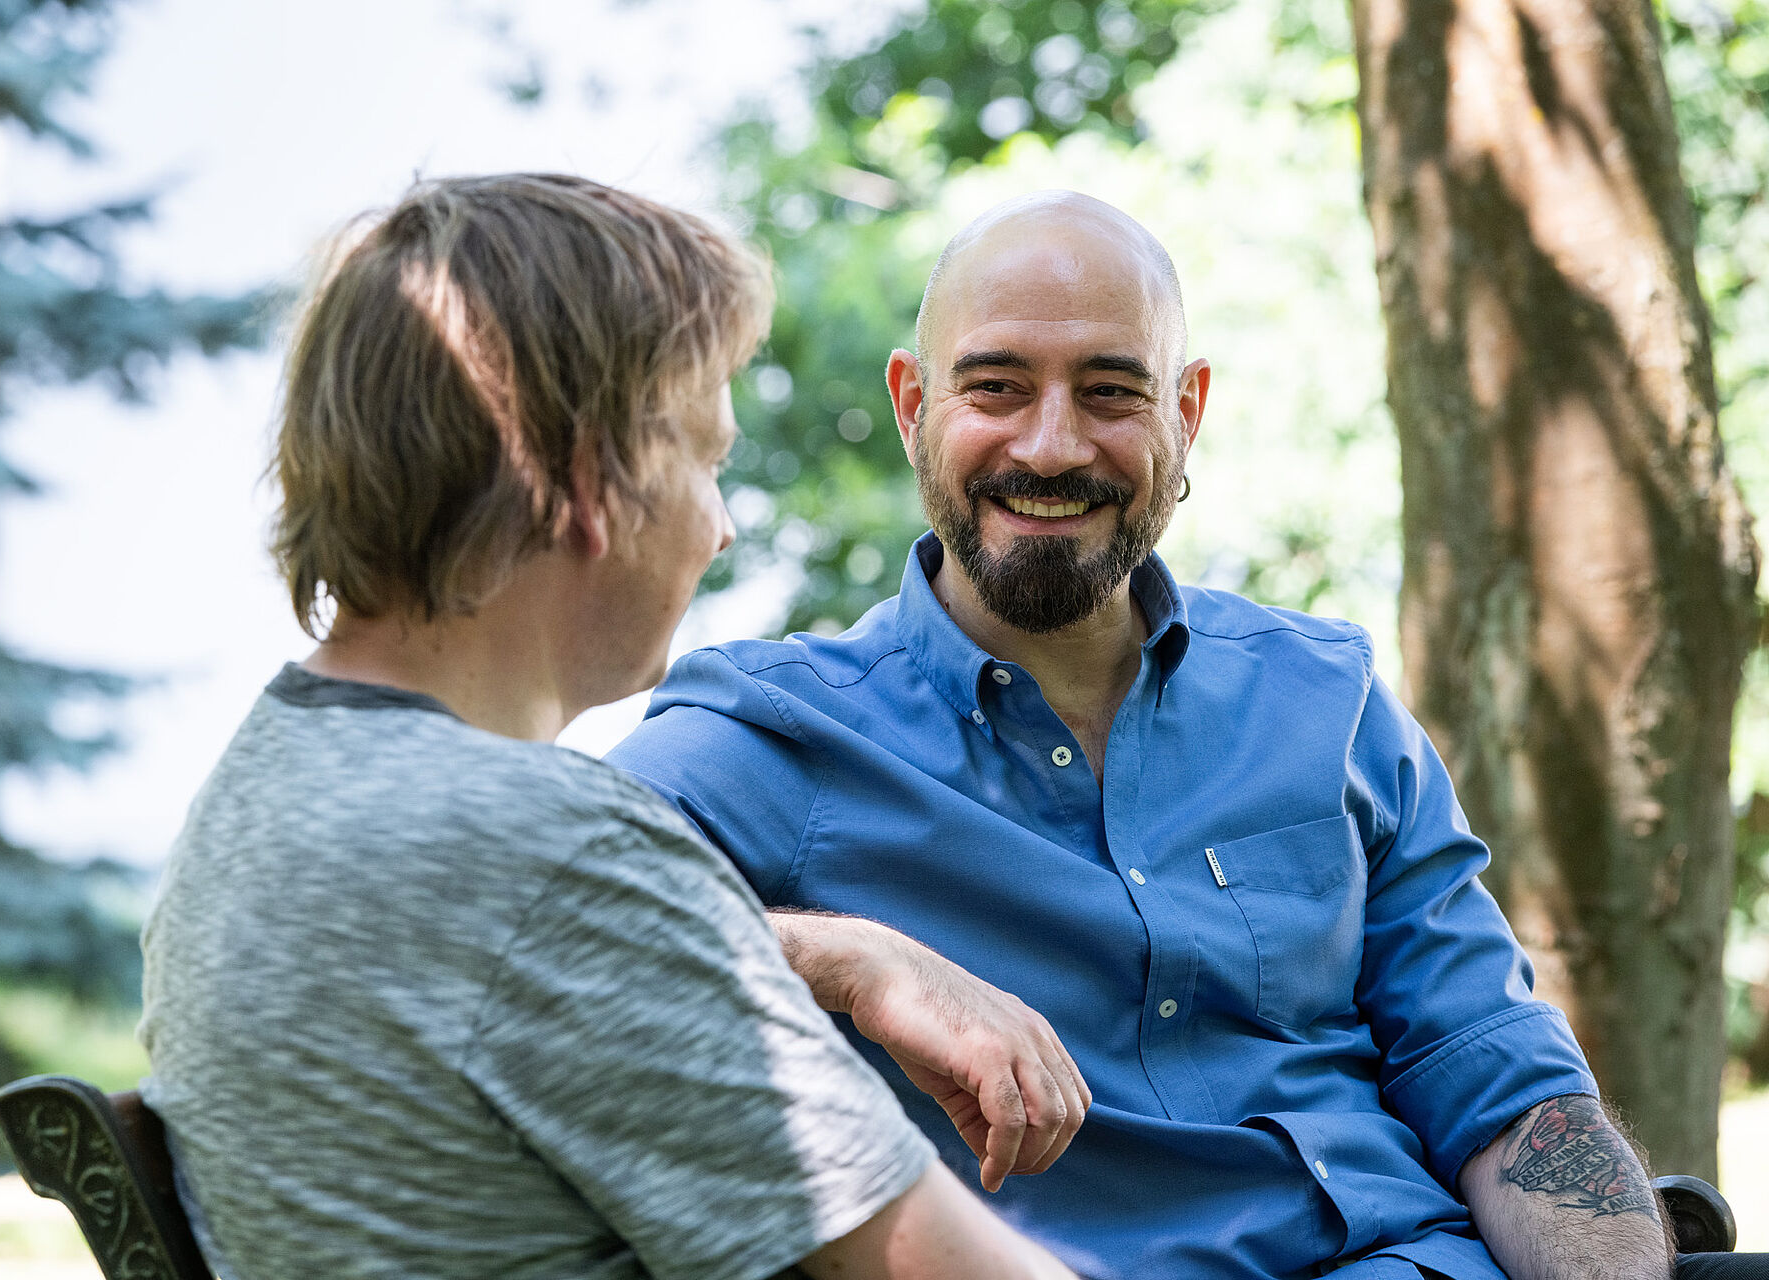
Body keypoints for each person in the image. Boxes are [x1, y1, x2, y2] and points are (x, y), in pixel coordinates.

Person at [608, 191, 1737, 1280]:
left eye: (1111, 391)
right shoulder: (777, 730)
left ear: (1186, 411)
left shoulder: (1328, 702)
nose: (1050, 446)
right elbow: (501, 901)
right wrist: (853, 959)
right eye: (996, 386)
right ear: (913, 406)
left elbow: (1497, 1082)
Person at [137, 174, 1078, 1280]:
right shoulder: (551, 847)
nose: (721, 529)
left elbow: (493, 948)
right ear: (592, 476)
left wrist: (837, 952)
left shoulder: (266, 782)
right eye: (708, 460)